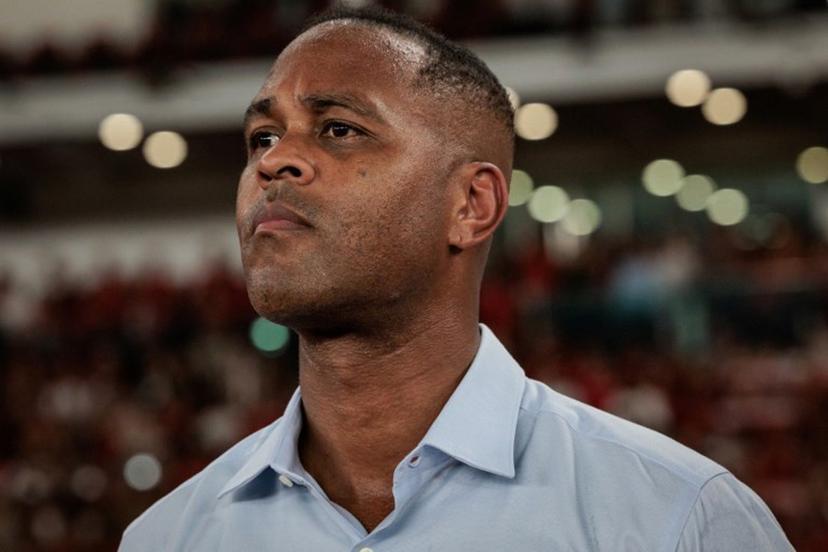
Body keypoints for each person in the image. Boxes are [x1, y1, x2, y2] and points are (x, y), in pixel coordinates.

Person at [120, 6, 793, 551]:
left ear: (472, 206)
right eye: (262, 138)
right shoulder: (167, 537)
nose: (276, 162)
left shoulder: (676, 520)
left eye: (338, 129)